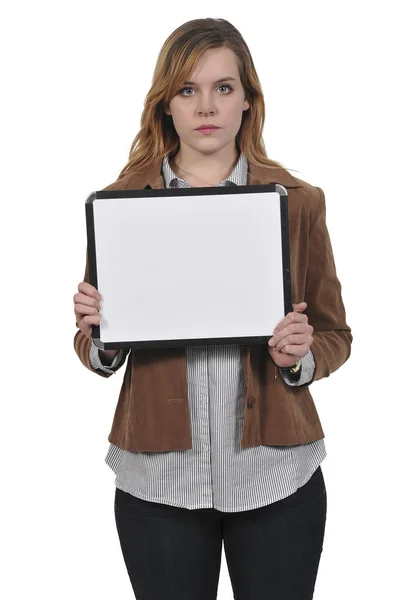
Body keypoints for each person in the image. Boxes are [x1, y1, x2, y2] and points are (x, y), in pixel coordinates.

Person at [73, 17, 352, 600]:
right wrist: (99, 331)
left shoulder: (299, 203)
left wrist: (302, 355)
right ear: (165, 105)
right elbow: (96, 345)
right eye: (188, 89)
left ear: (247, 101)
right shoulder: (123, 203)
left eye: (224, 88)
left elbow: (335, 333)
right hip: (160, 480)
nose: (207, 106)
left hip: (275, 473)